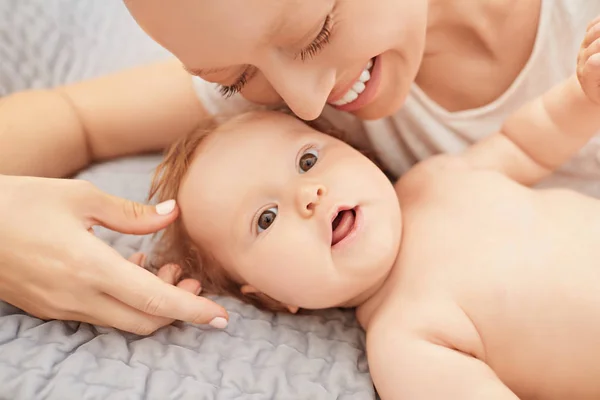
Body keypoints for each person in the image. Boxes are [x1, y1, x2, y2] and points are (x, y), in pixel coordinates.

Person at [0, 0, 598, 334]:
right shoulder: (270, 117)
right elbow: (70, 116)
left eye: (315, 34)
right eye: (232, 78)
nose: (306, 105)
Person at [143, 23, 600, 397]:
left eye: (308, 160)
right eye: (266, 218)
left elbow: (527, 143)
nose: (308, 194)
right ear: (271, 297)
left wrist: (584, 96)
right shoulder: (404, 342)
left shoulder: (433, 181)